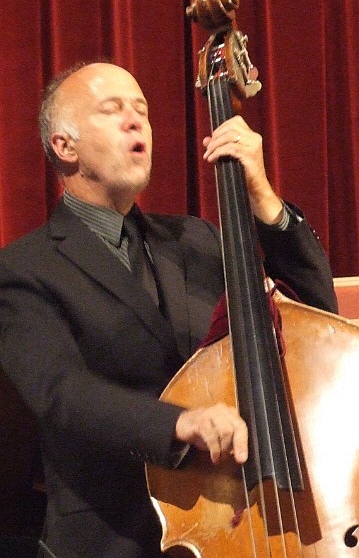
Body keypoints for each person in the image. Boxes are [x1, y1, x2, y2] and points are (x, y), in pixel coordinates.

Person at [0, 62, 337, 558]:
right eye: (112, 110)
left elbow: (316, 319)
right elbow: (60, 392)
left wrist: (264, 199)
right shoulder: (25, 267)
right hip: (117, 536)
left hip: (240, 521)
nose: (137, 121)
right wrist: (181, 422)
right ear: (63, 146)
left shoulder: (195, 239)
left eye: (142, 110)